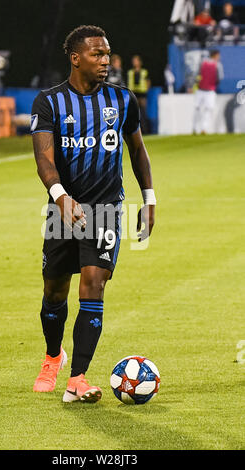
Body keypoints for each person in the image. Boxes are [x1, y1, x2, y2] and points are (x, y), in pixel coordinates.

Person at [31, 25, 156, 403]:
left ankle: (78, 378)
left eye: (107, 54)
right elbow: (44, 158)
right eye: (97, 55)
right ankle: (54, 356)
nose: (105, 61)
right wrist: (60, 195)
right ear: (75, 58)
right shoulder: (49, 102)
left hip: (105, 209)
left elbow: (137, 150)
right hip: (62, 211)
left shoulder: (122, 100)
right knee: (54, 291)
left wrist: (149, 199)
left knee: (94, 285)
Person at [193, 49, 224, 135]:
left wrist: (196, 84)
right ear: (215, 55)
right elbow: (220, 78)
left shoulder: (202, 63)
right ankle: (203, 128)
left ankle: (195, 128)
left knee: (197, 109)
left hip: (200, 89)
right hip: (210, 91)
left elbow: (197, 75)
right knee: (208, 110)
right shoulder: (218, 65)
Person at [127, 55, 151, 134]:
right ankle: (135, 131)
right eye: (133, 61)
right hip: (134, 94)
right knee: (134, 114)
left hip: (142, 94)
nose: (134, 62)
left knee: (143, 113)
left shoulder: (144, 71)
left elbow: (148, 82)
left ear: (140, 62)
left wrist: (146, 90)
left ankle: (146, 131)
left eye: (136, 60)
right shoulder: (130, 72)